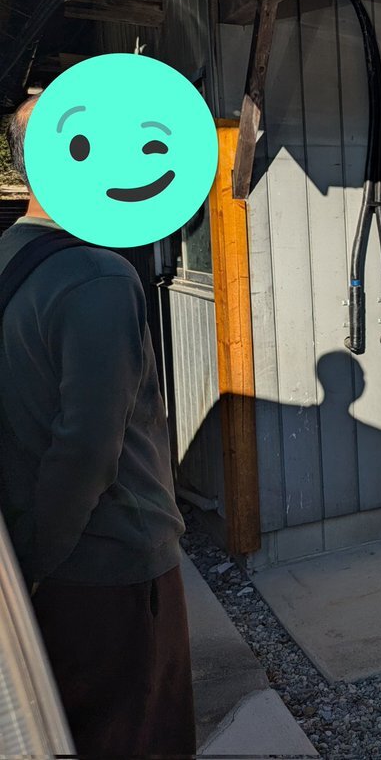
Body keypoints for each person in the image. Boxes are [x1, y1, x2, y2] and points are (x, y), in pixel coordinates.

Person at [0, 96, 195, 756]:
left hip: (44, 565)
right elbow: (87, 445)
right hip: (111, 567)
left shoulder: (10, 255)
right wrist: (39, 559)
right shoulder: (97, 275)